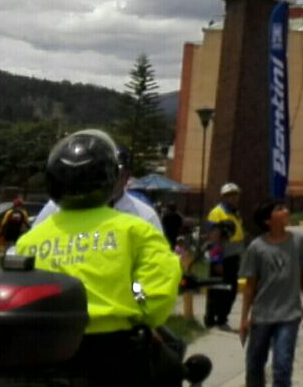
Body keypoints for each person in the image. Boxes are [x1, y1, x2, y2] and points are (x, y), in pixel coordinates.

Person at [13, 130, 181, 387]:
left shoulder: (30, 241)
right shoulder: (136, 229)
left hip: (46, 351)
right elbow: (154, 296)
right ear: (110, 178)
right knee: (172, 367)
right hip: (114, 351)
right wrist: (137, 303)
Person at [239, 201, 303, 387]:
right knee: (255, 365)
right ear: (267, 220)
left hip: (289, 315)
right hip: (262, 316)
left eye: (285, 208)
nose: (286, 210)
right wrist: (244, 318)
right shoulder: (257, 247)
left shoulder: (298, 242)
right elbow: (250, 286)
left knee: (282, 366)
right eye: (279, 210)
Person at [34, 147, 163, 233]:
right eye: (101, 172)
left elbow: (156, 261)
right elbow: (32, 243)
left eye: (114, 174)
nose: (106, 180)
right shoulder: (58, 206)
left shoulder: (145, 216)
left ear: (126, 177)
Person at [204, 182, 245, 327]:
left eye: (235, 195)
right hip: (221, 258)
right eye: (230, 195)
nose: (234, 198)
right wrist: (217, 260)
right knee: (217, 289)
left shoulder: (235, 212)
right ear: (224, 197)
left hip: (233, 257)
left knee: (230, 290)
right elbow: (214, 238)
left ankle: (222, 317)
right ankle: (212, 318)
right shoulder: (218, 212)